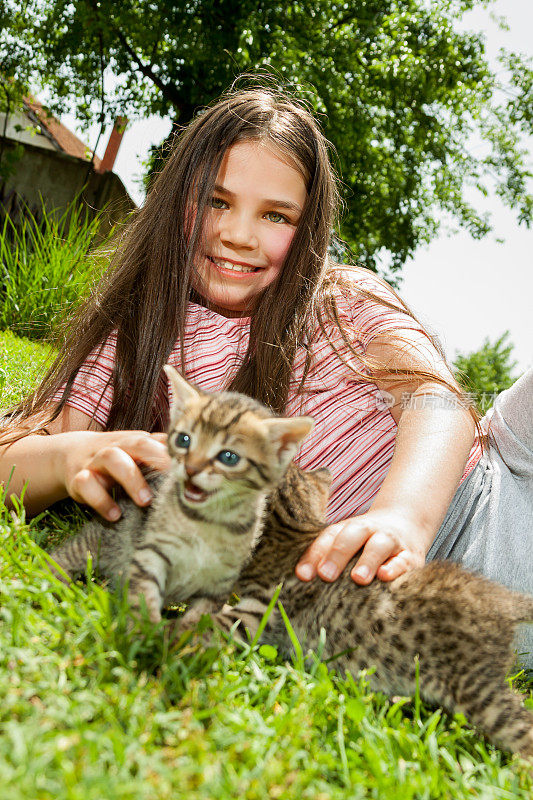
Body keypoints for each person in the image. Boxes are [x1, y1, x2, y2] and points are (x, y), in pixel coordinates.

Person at [1, 85, 531, 664]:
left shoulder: (337, 298)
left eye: (275, 215)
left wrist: (402, 518)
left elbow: (436, 404)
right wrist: (71, 454)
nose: (239, 234)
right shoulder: (136, 342)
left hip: (490, 495)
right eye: (216, 201)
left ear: (307, 229)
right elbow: (18, 457)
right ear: (177, 198)